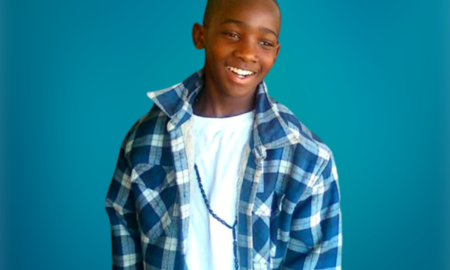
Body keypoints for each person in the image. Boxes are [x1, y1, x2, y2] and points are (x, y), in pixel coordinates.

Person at [105, 0, 342, 269]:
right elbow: (126, 242)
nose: (247, 53)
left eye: (264, 42)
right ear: (200, 35)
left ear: (276, 53)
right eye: (232, 34)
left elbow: (315, 260)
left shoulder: (307, 157)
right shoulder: (145, 140)